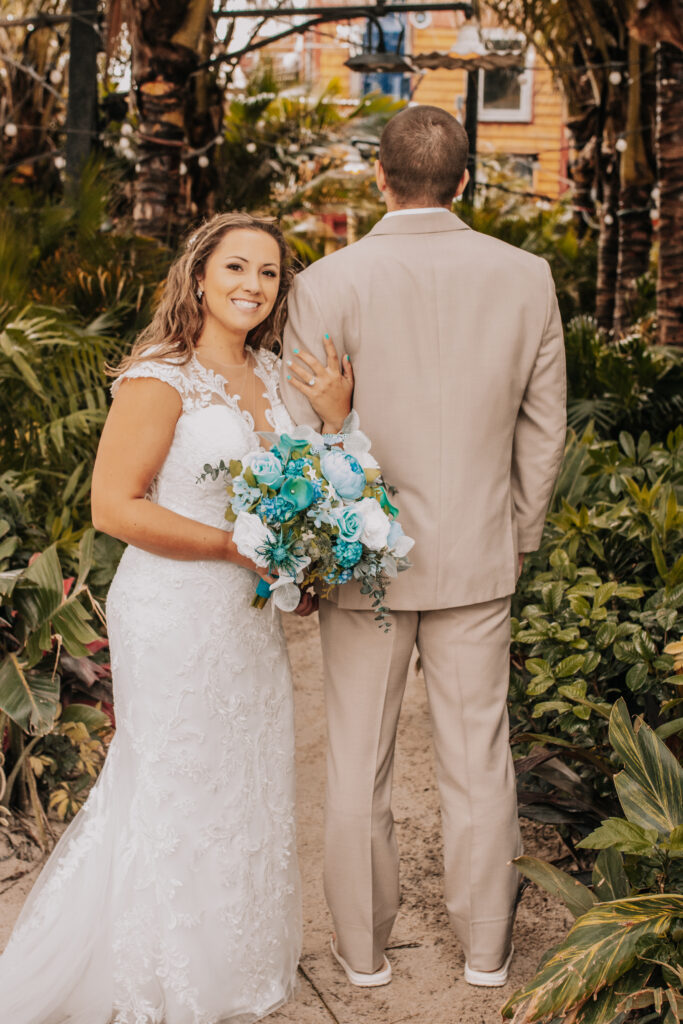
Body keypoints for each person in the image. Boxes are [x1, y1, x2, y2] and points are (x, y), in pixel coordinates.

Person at [0, 213, 352, 1024]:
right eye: (236, 267)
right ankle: (159, 976)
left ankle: (234, 962)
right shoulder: (161, 376)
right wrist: (234, 548)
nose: (251, 286)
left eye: (268, 274)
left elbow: (306, 490)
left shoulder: (272, 374)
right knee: (174, 785)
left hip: (245, 621)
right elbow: (113, 508)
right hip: (173, 612)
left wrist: (331, 418)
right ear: (198, 275)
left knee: (245, 781)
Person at [281, 105, 567, 989]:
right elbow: (543, 428)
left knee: (355, 762)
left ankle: (363, 957)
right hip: (479, 556)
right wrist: (516, 535)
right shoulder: (525, 276)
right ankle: (485, 955)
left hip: (360, 563)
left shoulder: (328, 281)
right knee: (478, 762)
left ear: (378, 177)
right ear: (466, 180)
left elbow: (300, 434)